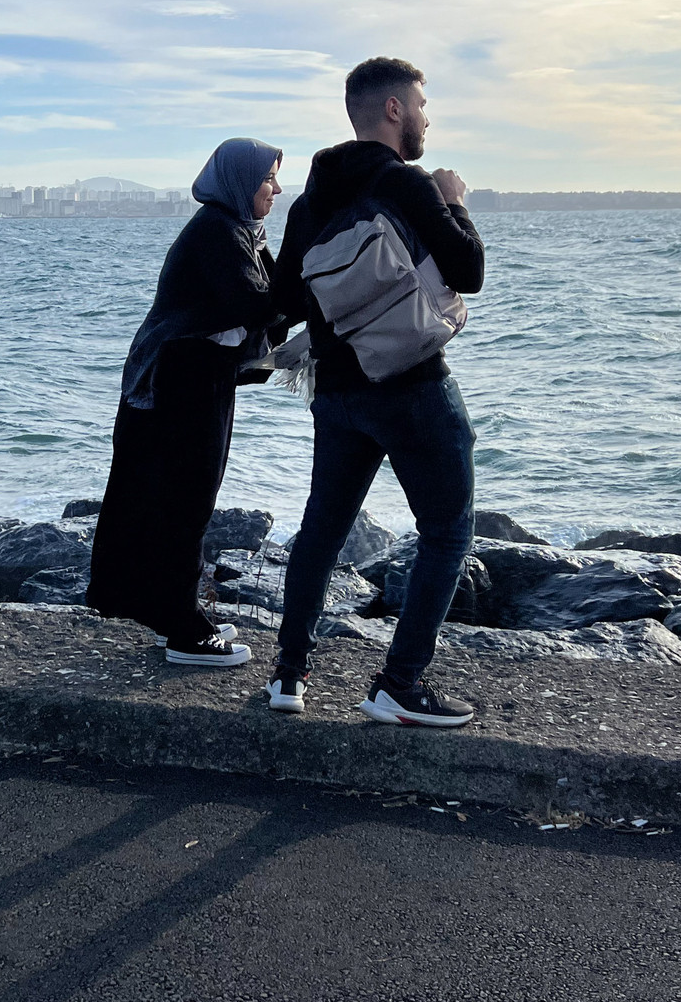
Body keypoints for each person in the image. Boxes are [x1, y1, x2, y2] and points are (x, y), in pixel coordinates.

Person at [268, 57, 485, 726]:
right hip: (413, 385)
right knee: (448, 533)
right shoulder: (409, 184)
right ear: (392, 110)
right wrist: (453, 202)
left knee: (322, 534)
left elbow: (282, 301)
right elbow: (469, 272)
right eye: (421, 102)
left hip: (337, 392)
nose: (426, 115)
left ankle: (289, 675)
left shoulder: (309, 202)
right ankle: (399, 684)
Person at [86, 138, 289, 666]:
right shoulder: (220, 231)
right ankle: (184, 631)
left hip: (191, 376)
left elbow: (269, 302)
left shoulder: (237, 229)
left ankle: (165, 611)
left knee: (167, 497)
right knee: (186, 499)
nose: (277, 189)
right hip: (180, 380)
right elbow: (260, 303)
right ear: (242, 184)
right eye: (268, 179)